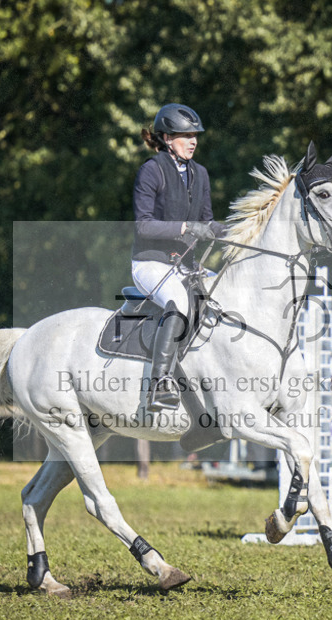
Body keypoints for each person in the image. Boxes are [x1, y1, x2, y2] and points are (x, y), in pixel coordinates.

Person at [132, 103, 227, 412]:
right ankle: (159, 383)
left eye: (195, 135)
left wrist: (236, 230)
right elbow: (143, 225)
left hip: (186, 265)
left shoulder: (200, 174)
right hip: (151, 262)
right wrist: (186, 227)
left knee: (226, 293)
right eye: (186, 135)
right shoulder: (152, 170)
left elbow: (207, 222)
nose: (193, 141)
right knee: (179, 302)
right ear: (167, 138)